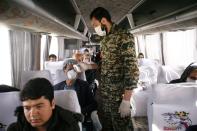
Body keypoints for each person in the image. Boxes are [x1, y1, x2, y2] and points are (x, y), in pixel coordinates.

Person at [90, 7, 139, 131]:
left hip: (118, 96)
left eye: (95, 25)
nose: (94, 29)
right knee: (108, 126)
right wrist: (90, 66)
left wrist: (126, 100)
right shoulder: (105, 39)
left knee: (122, 127)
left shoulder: (124, 35)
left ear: (104, 21)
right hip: (105, 93)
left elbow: (132, 68)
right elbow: (107, 63)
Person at [7, 78, 82, 131]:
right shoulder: (15, 128)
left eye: (39, 106)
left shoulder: (69, 127)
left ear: (52, 104)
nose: (32, 114)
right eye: (27, 108)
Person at [54, 59, 102, 131]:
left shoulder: (84, 85)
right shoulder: (56, 88)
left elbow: (93, 104)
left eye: (75, 69)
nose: (72, 72)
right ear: (64, 71)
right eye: (70, 69)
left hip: (78, 117)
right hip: (61, 119)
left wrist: (80, 111)